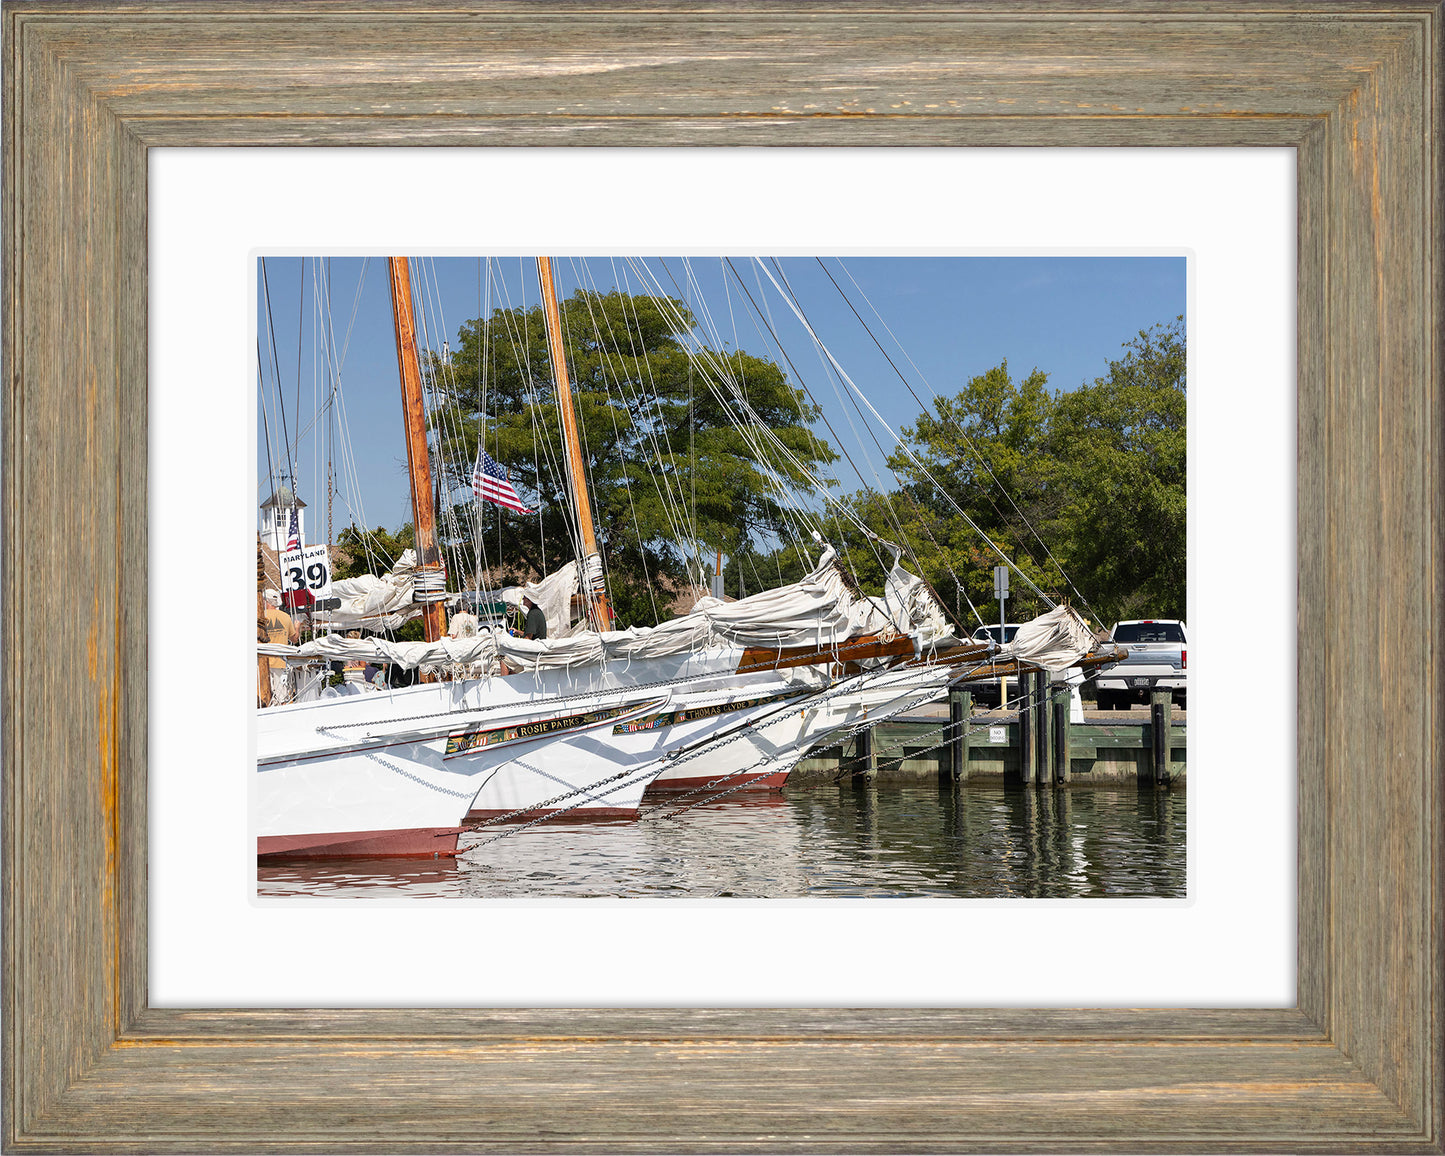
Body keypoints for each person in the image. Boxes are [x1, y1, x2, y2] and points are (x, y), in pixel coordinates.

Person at [260, 591, 300, 705]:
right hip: (281, 662)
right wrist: (297, 627)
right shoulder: (286, 617)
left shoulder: (259, 617)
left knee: (263, 697)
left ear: (266, 601)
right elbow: (294, 639)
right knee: (282, 698)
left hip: (262, 663)